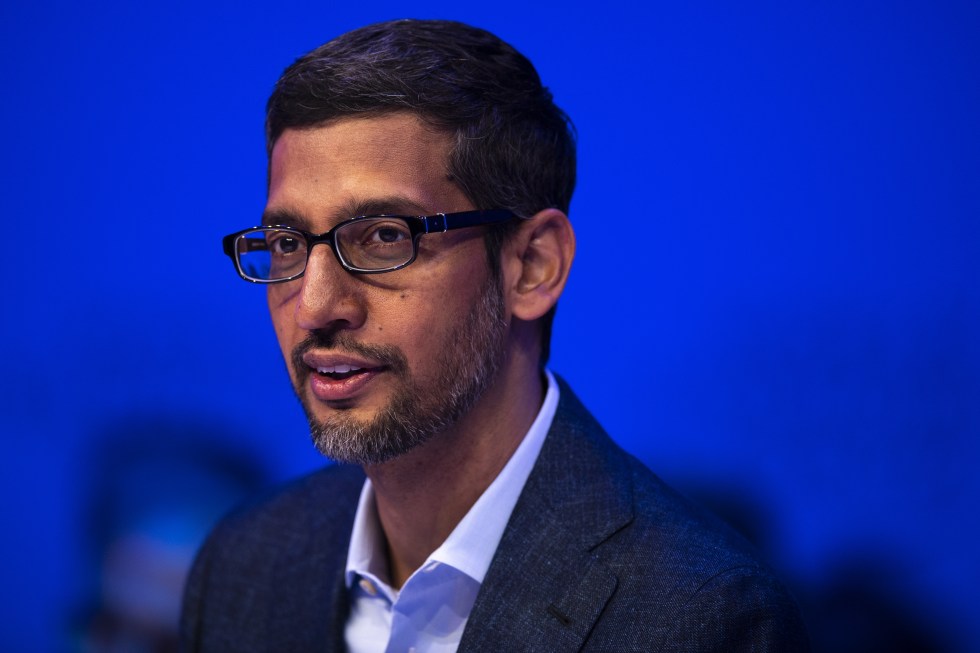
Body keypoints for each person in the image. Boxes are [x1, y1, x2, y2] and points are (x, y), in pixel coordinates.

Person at [180, 19, 809, 652]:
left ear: (532, 266)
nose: (316, 306)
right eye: (288, 245)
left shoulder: (701, 616)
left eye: (382, 237)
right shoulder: (244, 566)